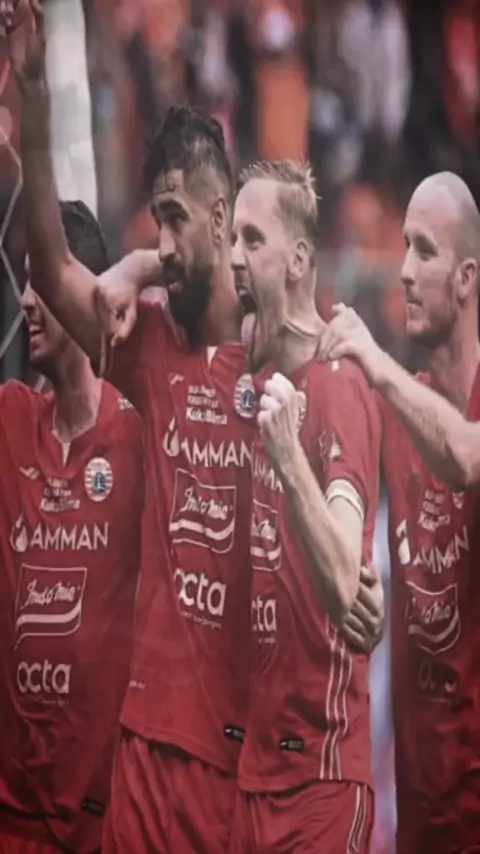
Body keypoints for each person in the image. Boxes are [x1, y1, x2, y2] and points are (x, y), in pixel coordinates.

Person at [4, 5, 254, 851]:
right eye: (156, 221)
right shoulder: (145, 347)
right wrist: (34, 97)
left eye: (178, 218)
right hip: (144, 751)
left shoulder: (278, 361)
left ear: (222, 216)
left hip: (241, 759)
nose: (166, 241)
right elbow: (51, 265)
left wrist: (143, 263)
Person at [320, 171, 480, 853]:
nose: (405, 271)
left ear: (467, 278)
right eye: (405, 247)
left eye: (425, 251)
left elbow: (465, 457)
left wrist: (376, 364)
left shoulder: (402, 395)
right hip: (420, 817)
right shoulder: (398, 408)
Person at [229, 159, 382, 853]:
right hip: (255, 775)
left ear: (297, 261)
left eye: (252, 240)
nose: (234, 258)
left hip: (321, 781)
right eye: (232, 239)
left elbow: (346, 578)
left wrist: (289, 459)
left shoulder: (339, 385)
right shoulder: (262, 378)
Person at [0, 200, 144, 854]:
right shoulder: (10, 420)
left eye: (42, 282)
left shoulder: (138, 435)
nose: (26, 301)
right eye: (24, 280)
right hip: (11, 818)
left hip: (101, 820)